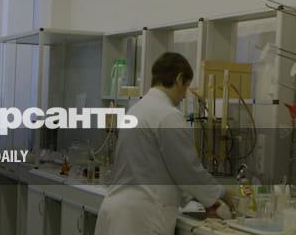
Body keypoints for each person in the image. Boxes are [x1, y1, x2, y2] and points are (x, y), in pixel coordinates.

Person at [94, 52, 225, 234]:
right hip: (141, 218)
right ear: (179, 79)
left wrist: (198, 197)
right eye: (186, 86)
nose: (184, 96)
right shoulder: (168, 115)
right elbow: (187, 170)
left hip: (116, 211)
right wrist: (217, 196)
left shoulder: (136, 110)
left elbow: (161, 169)